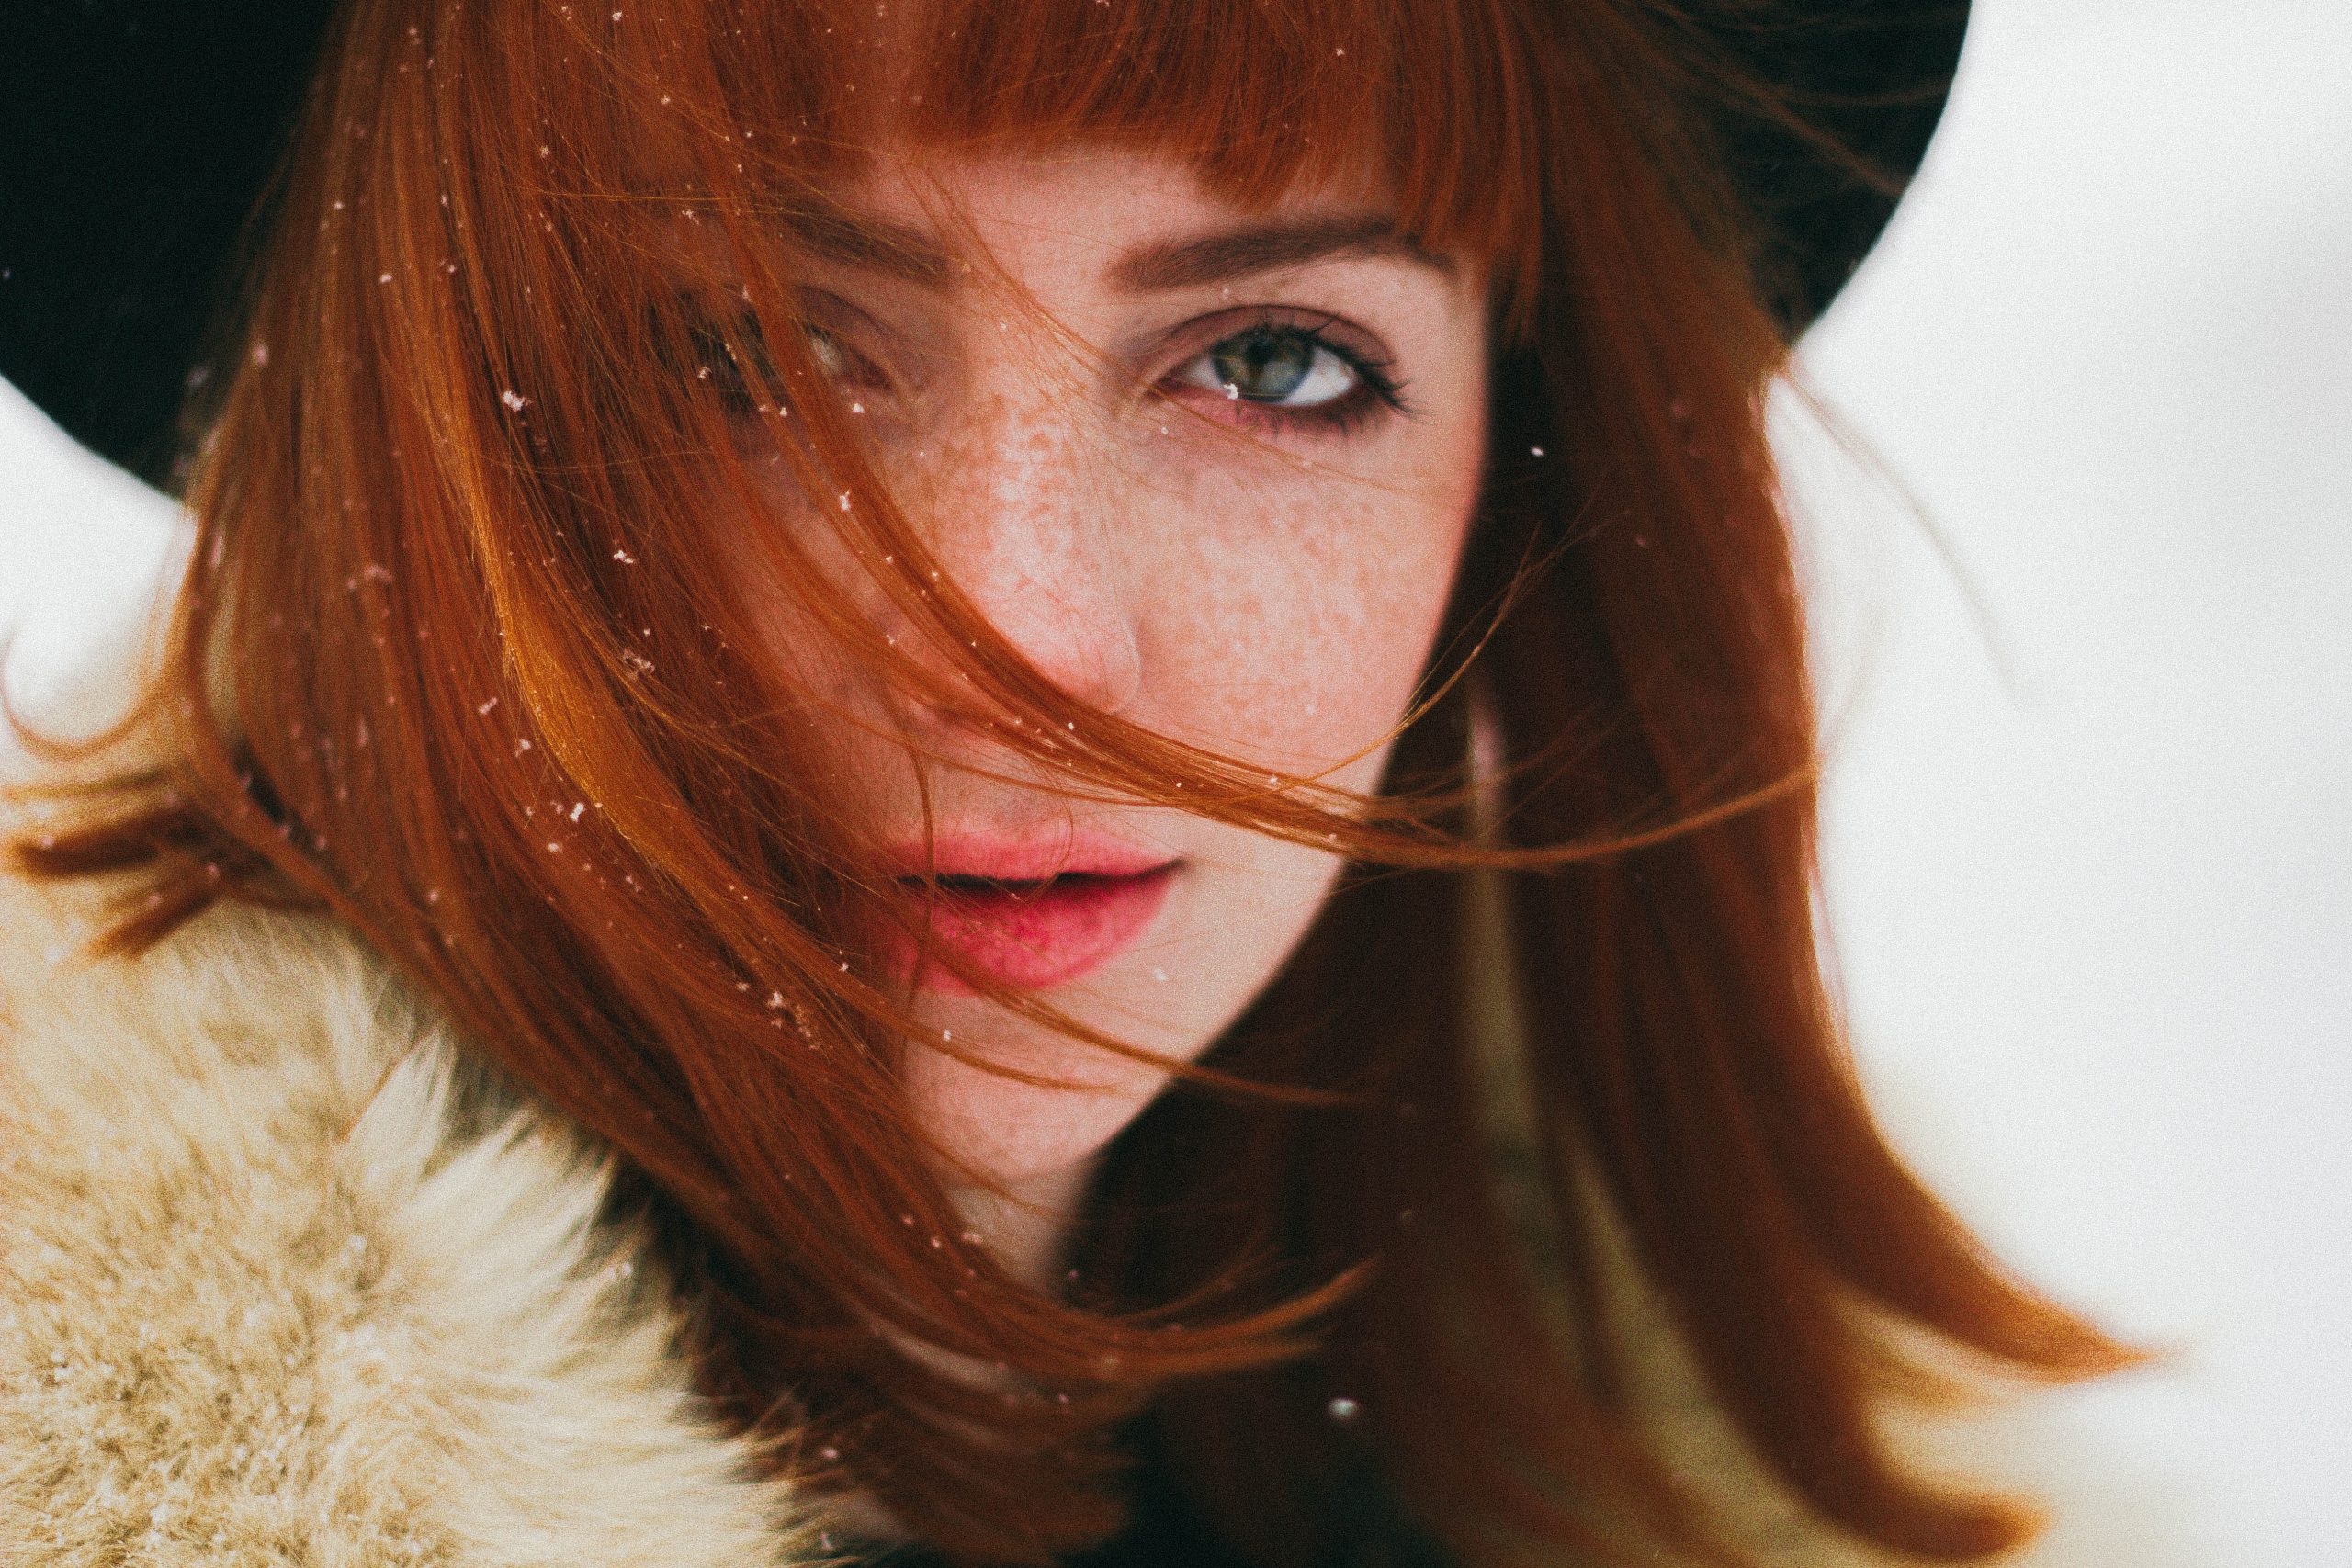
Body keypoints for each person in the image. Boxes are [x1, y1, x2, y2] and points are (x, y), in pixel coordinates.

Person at [0, 2, 2140, 1564]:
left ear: (1521, 493)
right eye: (742, 346)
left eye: (1275, 361)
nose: (1022, 639)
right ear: (381, 435)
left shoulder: (1673, 1443)